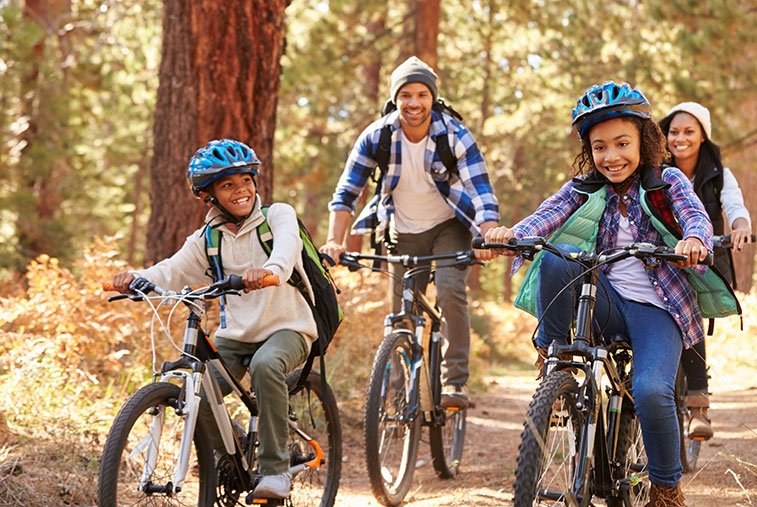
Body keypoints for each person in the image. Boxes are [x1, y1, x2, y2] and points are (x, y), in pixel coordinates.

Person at [485, 82, 715, 504]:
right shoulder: (586, 186)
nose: (611, 157)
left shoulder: (668, 181)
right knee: (558, 255)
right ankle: (558, 362)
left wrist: (694, 240)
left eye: (622, 143)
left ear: (644, 141)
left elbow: (695, 216)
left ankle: (666, 487)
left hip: (656, 309)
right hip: (605, 302)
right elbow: (546, 216)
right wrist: (511, 237)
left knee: (649, 391)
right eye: (600, 147)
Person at [111, 139, 315, 500]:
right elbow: (172, 269)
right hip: (237, 334)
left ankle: (276, 469)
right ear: (209, 195)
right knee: (196, 386)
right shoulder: (208, 238)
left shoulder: (277, 216)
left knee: (267, 366)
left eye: (245, 181)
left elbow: (285, 252)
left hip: (290, 327)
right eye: (227, 185)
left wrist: (268, 271)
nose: (241, 191)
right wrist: (135, 277)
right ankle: (231, 445)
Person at [321, 56, 500, 409]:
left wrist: (487, 234)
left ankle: (455, 383)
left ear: (432, 97)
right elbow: (346, 193)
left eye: (421, 94)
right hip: (401, 229)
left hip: (449, 225)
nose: (414, 103)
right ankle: (399, 398)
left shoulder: (454, 134)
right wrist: (334, 241)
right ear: (395, 98)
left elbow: (481, 192)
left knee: (450, 290)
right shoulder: (377, 136)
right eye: (406, 95)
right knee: (401, 316)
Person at [658, 102, 753, 441]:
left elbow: (735, 207)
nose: (679, 138)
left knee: (690, 313)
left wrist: (740, 228)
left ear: (702, 137)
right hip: (659, 256)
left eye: (688, 132)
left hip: (701, 260)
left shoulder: (720, 175)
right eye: (673, 132)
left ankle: (698, 406)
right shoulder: (654, 169)